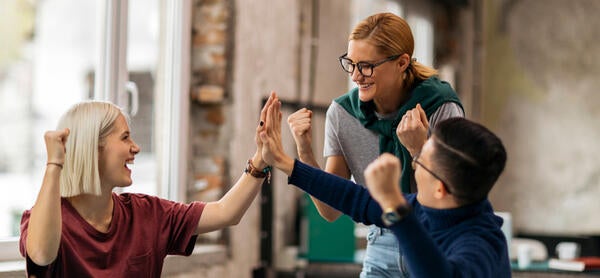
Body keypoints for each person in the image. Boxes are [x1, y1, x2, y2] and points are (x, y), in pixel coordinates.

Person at [19, 93, 280, 277]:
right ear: (93, 149)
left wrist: (261, 159)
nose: (136, 148)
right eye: (125, 138)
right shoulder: (47, 219)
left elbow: (226, 212)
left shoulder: (147, 214)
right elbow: (41, 254)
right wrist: (54, 163)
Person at [287, 12, 464, 277]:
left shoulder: (441, 107)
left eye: (367, 66)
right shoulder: (343, 113)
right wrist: (303, 149)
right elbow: (331, 210)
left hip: (437, 240)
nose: (356, 76)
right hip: (381, 242)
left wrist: (419, 150)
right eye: (351, 63)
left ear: (402, 62)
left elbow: (453, 198)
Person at [260, 96, 509, 277]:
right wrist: (282, 160)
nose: (414, 166)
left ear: (440, 189)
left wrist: (395, 205)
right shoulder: (433, 209)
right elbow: (355, 198)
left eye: (420, 161)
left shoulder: (480, 245)